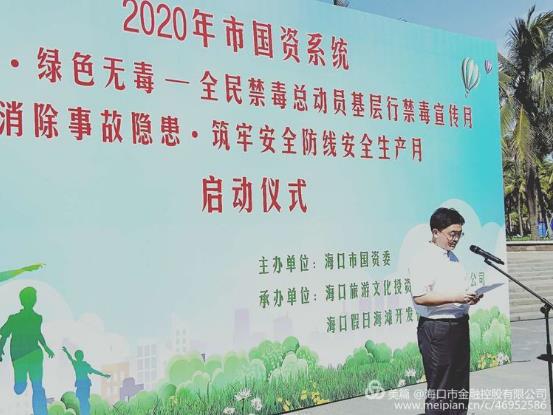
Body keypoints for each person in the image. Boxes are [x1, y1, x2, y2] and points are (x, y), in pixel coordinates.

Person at [409, 207, 482, 414]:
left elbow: (459, 290)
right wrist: (456, 297)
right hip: (437, 329)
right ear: (435, 232)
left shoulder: (453, 258)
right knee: (441, 387)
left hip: (460, 324)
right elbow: (420, 297)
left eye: (459, 234)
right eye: (452, 234)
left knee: (460, 384)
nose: (456, 239)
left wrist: (470, 297)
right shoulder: (422, 258)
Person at [0, 287, 54, 415]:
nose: (32, 300)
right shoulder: (14, 319)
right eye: (30, 297)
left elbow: (38, 334)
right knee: (20, 388)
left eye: (33, 297)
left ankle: (40, 411)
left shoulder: (37, 318)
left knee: (37, 386)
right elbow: (4, 334)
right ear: (22, 301)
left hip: (35, 354)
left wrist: (46, 348)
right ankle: (21, 383)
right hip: (19, 356)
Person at [62, 346, 110, 415]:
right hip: (83, 384)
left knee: (83, 401)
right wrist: (103, 375)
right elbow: (93, 371)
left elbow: (70, 358)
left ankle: (85, 412)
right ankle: (85, 412)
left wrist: (66, 351)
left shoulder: (77, 364)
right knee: (83, 401)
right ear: (82, 356)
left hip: (82, 384)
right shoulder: (83, 364)